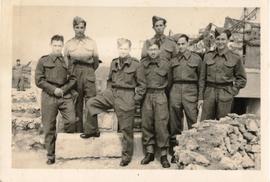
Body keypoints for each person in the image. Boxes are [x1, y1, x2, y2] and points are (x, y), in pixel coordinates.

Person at [83, 38, 146, 167]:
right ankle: (92, 130)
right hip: (112, 92)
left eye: (125, 49)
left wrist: (135, 99)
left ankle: (126, 157)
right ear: (118, 49)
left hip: (127, 95)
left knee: (126, 129)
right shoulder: (114, 62)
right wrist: (107, 93)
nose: (123, 51)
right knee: (91, 103)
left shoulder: (136, 64)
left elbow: (142, 85)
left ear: (129, 49)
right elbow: (110, 80)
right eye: (121, 48)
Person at [35, 35, 77, 165]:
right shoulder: (43, 61)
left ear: (62, 46)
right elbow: (39, 80)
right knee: (49, 126)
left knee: (71, 121)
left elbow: (73, 79)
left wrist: (63, 90)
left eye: (60, 45)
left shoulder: (68, 61)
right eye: (55, 45)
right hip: (49, 95)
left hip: (65, 95)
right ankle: (51, 155)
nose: (57, 48)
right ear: (51, 45)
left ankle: (64, 148)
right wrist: (53, 90)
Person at [168, 34, 204, 163]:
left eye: (183, 43)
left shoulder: (197, 59)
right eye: (178, 44)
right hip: (175, 90)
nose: (181, 46)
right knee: (174, 122)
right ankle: (176, 151)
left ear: (188, 44)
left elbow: (201, 79)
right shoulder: (173, 60)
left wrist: (200, 97)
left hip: (191, 90)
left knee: (193, 121)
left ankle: (192, 151)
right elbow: (169, 80)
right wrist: (169, 95)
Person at [201, 28, 247, 120]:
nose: (220, 42)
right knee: (205, 123)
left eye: (223, 39)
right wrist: (201, 97)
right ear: (214, 40)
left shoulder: (235, 58)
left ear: (228, 40)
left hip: (225, 93)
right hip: (209, 93)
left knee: (223, 123)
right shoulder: (208, 56)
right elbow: (202, 78)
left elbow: (242, 79)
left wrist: (232, 92)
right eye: (218, 39)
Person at [64, 16, 100, 133]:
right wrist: (72, 74)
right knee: (77, 102)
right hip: (74, 73)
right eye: (77, 27)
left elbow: (96, 61)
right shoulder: (69, 44)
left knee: (91, 101)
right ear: (73, 28)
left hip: (89, 71)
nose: (80, 30)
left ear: (85, 28)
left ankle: (91, 130)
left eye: (82, 27)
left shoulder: (91, 42)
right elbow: (66, 61)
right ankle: (78, 130)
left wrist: (88, 71)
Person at [140, 40, 171, 168]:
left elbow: (170, 82)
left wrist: (164, 96)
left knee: (161, 125)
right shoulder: (143, 64)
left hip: (160, 95)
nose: (153, 52)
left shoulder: (166, 64)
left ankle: (164, 155)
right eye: (150, 49)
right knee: (147, 124)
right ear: (147, 51)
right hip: (147, 96)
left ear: (159, 50)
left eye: (155, 49)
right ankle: (150, 153)